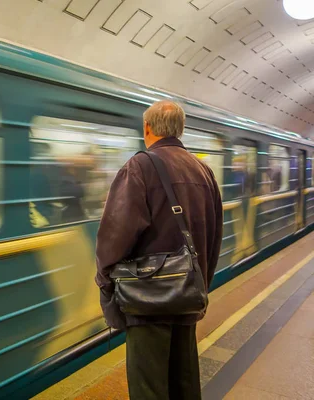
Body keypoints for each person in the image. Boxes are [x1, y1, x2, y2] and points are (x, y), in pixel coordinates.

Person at [95, 101, 223, 400]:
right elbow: (215, 236)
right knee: (184, 381)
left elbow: (115, 235)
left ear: (147, 129)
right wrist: (200, 283)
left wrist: (105, 282)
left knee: (149, 386)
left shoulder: (139, 167)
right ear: (180, 129)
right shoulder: (204, 171)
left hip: (148, 299)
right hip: (187, 293)